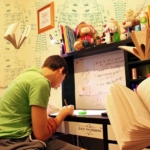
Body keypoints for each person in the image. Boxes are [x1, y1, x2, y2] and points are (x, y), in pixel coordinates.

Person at [0, 55, 86, 150]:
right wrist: (64, 113)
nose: (58, 85)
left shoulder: (30, 74)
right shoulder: (41, 82)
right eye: (62, 79)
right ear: (60, 71)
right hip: (14, 140)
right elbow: (41, 136)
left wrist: (45, 118)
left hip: (12, 135)